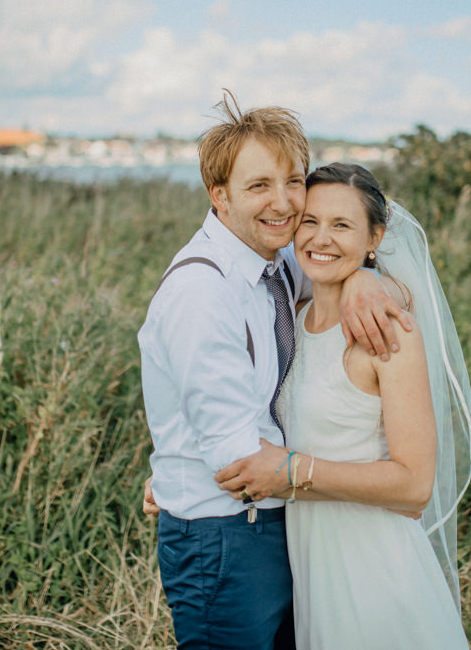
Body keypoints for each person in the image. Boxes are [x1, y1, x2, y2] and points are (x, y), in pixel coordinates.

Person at [138, 97, 409, 650]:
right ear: (220, 195)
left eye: (293, 181)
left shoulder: (275, 261)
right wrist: (176, 469)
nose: (283, 202)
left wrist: (366, 275)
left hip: (278, 528)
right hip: (222, 538)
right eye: (259, 185)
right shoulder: (202, 292)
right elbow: (239, 465)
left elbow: (337, 269)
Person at [214, 163, 471, 650]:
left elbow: (415, 486)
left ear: (374, 237)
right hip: (312, 567)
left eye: (341, 225)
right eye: (310, 221)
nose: (321, 238)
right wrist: (180, 472)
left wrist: (293, 471)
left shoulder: (389, 333)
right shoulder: (290, 319)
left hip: (375, 570)